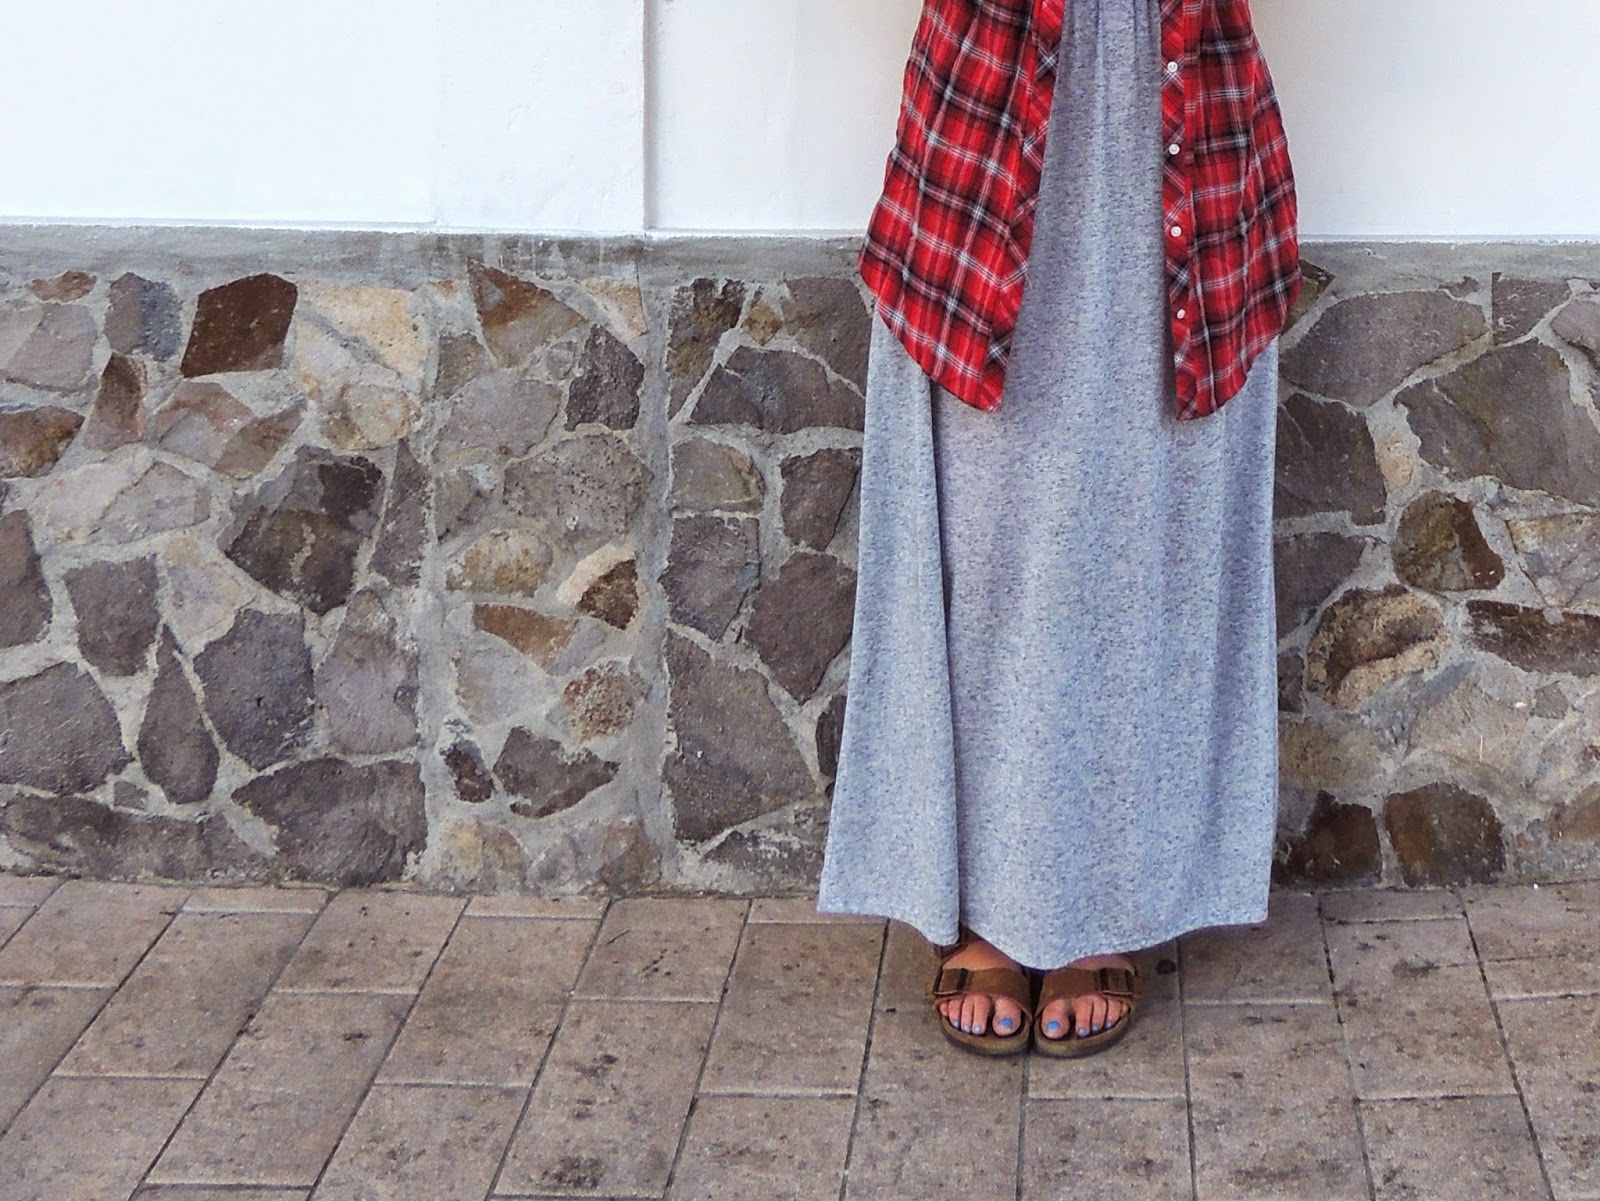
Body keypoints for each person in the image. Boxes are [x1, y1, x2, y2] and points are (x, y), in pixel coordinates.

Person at [816, 0, 1301, 1056]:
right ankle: (985, 899)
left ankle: (1107, 897)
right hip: (985, 129)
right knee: (982, 538)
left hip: (1187, 125)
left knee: (1147, 538)